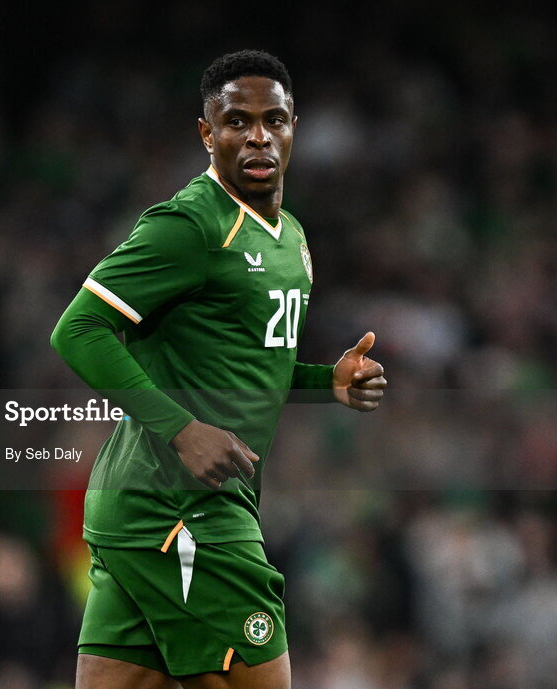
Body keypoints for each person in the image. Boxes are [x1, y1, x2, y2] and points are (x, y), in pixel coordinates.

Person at [50, 50, 387, 689]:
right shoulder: (190, 225)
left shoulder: (290, 237)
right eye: (237, 121)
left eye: (274, 119)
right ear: (208, 133)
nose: (257, 134)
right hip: (181, 510)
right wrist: (183, 429)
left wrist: (326, 382)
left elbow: (242, 366)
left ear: (294, 127)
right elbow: (78, 330)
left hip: (152, 511)